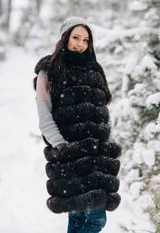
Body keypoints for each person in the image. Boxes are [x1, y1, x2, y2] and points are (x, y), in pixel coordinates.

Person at [33, 16, 122, 233]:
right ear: (64, 38)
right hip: (71, 156)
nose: (80, 44)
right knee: (95, 219)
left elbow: (102, 113)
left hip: (97, 156)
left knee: (81, 217)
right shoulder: (49, 71)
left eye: (85, 40)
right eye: (76, 37)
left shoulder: (95, 71)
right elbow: (44, 118)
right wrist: (63, 147)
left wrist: (106, 144)